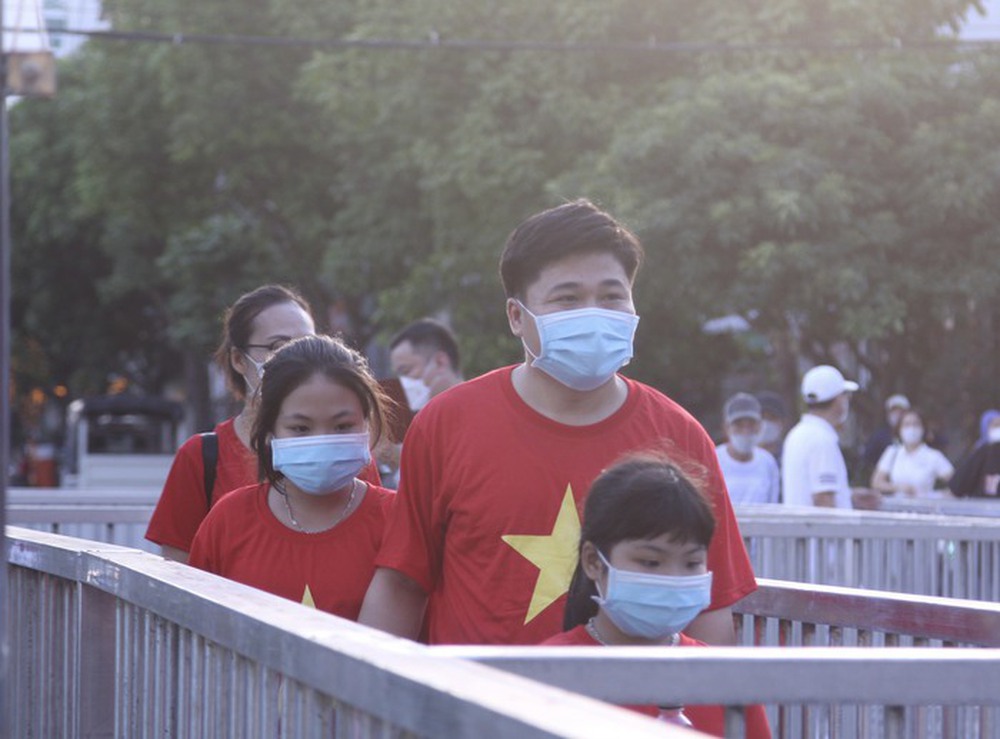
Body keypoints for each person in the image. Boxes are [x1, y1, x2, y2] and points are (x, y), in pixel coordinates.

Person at [359, 199, 756, 647]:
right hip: (478, 709)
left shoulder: (680, 437)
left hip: (628, 712)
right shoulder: (446, 424)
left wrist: (707, 709)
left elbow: (712, 605)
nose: (593, 312)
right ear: (516, 316)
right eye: (567, 299)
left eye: (611, 296)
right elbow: (401, 585)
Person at [146, 284, 379, 562]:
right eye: (277, 346)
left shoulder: (345, 453)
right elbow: (178, 574)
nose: (294, 360)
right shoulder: (202, 458)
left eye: (305, 343)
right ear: (238, 359)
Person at [542, 453, 771, 737]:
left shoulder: (727, 680)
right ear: (593, 561)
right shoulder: (547, 674)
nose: (673, 580)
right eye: (650, 562)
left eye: (691, 563)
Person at [188, 335, 395, 619]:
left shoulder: (397, 520)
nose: (322, 440)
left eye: (342, 425)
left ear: (367, 422)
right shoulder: (228, 521)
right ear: (270, 430)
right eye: (300, 428)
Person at [781, 364, 864, 509]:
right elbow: (823, 499)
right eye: (845, 395)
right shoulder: (821, 440)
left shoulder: (797, 433)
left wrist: (848, 495)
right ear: (838, 400)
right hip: (817, 531)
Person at [870, 408, 954, 497]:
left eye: (916, 424)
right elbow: (876, 483)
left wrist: (935, 495)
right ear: (899, 429)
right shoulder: (892, 452)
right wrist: (898, 487)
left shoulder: (933, 456)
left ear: (923, 428)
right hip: (896, 508)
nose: (911, 429)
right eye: (907, 425)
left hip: (925, 508)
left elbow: (956, 484)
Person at [716, 392, 780, 505]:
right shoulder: (715, 460)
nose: (745, 431)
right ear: (726, 428)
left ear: (760, 426)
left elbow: (772, 506)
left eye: (751, 424)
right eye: (739, 425)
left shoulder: (767, 462)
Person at [389, 318, 464, 412]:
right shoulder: (418, 423)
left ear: (440, 362)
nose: (402, 382)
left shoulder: (481, 411)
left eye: (406, 371)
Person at [950, 410, 1000, 499]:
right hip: (981, 509)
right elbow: (958, 485)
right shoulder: (980, 453)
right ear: (986, 428)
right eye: (996, 425)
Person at [863, 394, 910, 472]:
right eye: (894, 411)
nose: (897, 414)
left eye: (900, 411)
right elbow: (867, 459)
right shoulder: (879, 436)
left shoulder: (913, 435)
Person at [755, 390, 789, 465]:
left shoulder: (790, 455)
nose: (766, 424)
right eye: (761, 417)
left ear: (783, 423)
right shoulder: (744, 456)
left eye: (772, 418)